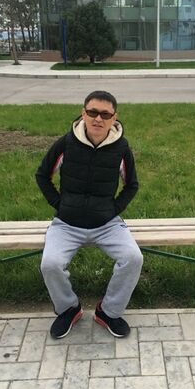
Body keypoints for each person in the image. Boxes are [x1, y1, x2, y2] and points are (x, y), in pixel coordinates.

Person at [36, 90, 143, 339]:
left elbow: (131, 185)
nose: (98, 119)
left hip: (107, 223)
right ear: (83, 113)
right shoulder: (66, 143)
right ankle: (68, 309)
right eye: (92, 112)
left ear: (114, 118)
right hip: (66, 223)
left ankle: (109, 312)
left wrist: (113, 210)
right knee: (50, 264)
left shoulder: (121, 148)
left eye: (105, 114)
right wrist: (59, 204)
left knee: (133, 258)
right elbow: (42, 175)